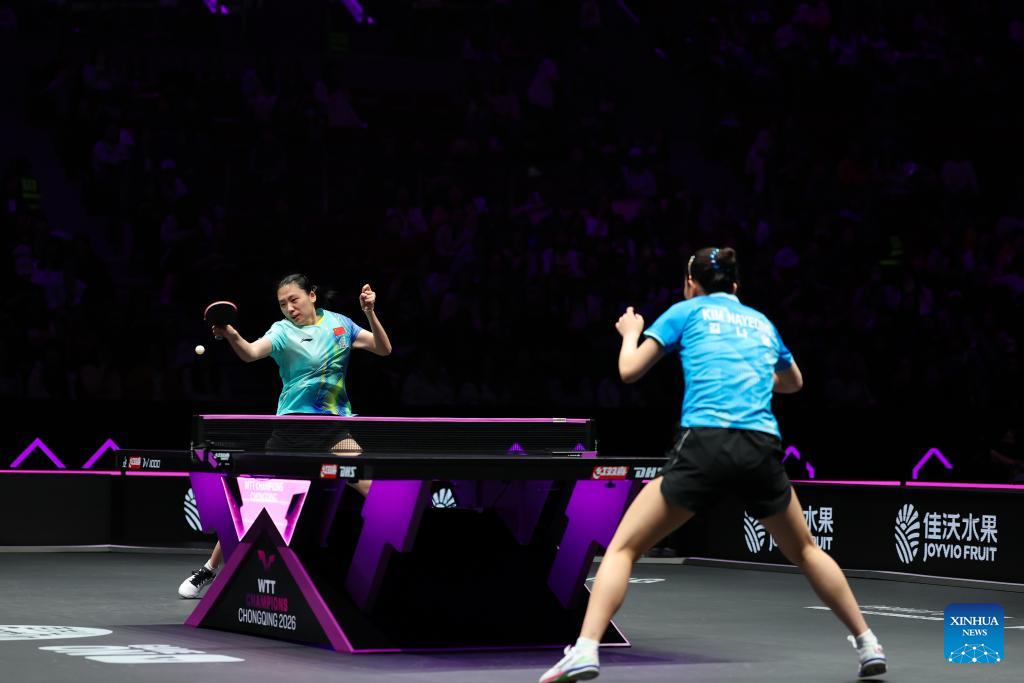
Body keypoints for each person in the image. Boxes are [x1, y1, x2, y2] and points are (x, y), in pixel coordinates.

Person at [540, 248, 886, 681]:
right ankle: (868, 643)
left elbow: (629, 371)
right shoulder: (762, 323)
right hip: (760, 447)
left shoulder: (686, 312)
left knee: (623, 548)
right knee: (805, 550)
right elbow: (794, 382)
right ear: (736, 286)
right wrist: (752, 373)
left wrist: (631, 332)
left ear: (691, 284)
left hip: (705, 443)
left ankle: (586, 650)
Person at [178, 274, 392, 599]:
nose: (290, 308)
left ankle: (393, 565)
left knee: (374, 489)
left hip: (334, 428)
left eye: (294, 299)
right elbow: (251, 353)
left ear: (312, 295)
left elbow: (383, 348)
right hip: (291, 430)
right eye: (282, 304)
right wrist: (232, 334)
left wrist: (370, 312)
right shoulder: (281, 331)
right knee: (256, 502)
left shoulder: (341, 325)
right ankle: (209, 568)